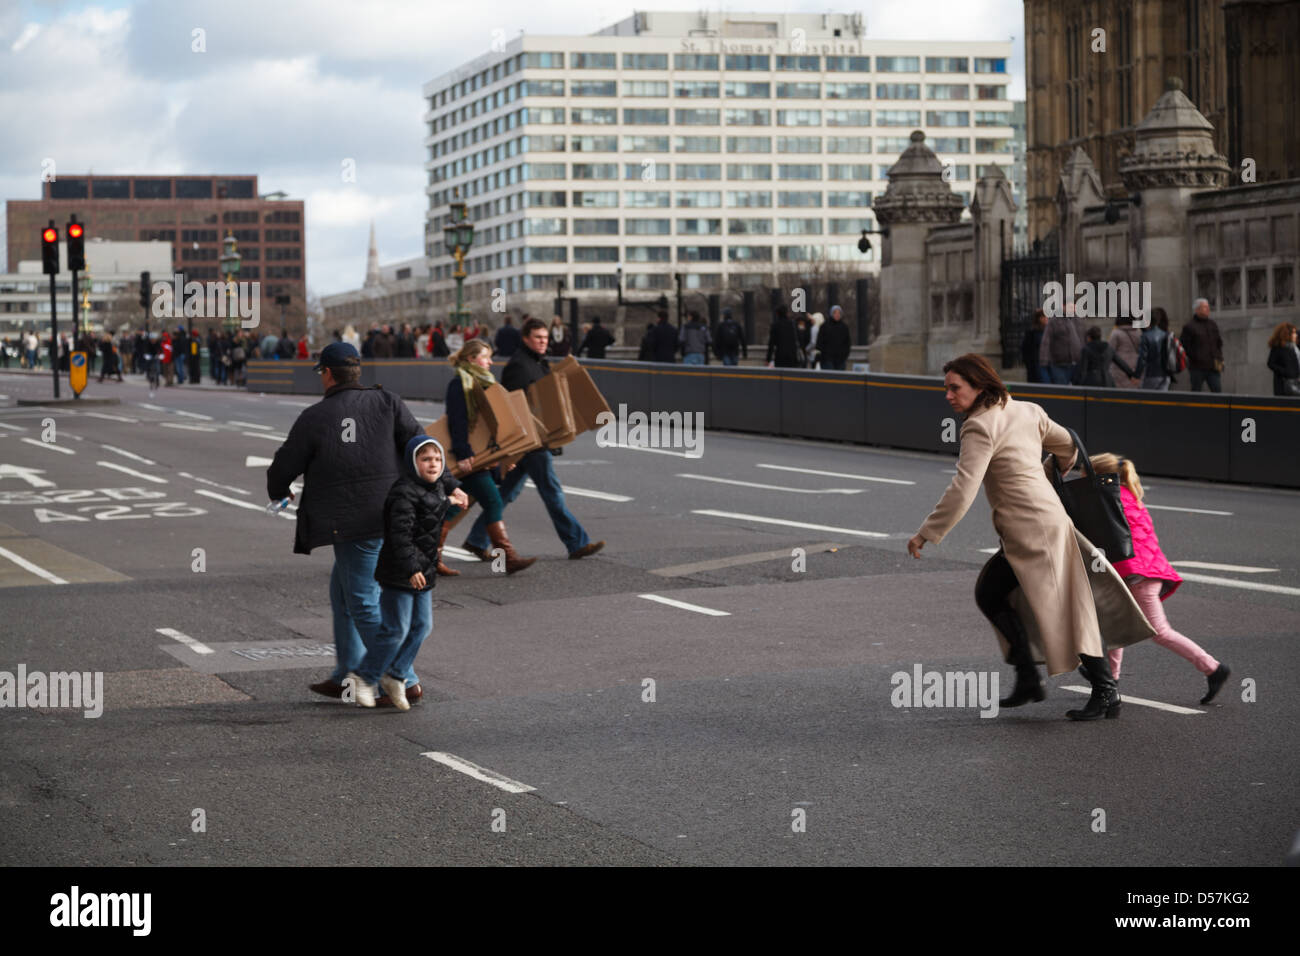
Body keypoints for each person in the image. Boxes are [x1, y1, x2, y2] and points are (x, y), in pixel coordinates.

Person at [906, 354, 1152, 720]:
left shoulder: (978, 426)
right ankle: (1030, 678)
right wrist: (1038, 474)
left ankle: (1102, 690)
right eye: (947, 388)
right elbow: (1068, 446)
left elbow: (964, 488)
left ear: (979, 386)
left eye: (955, 388)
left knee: (1059, 605)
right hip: (1045, 521)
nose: (949, 396)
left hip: (1031, 530)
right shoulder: (1027, 411)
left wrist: (927, 532)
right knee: (1011, 594)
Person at [266, 342, 424, 700]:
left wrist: (279, 490)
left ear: (327, 374)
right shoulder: (389, 403)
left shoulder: (315, 417)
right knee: (343, 594)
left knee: (363, 601)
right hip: (394, 514)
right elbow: (420, 444)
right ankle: (347, 673)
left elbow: (285, 463)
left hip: (355, 523)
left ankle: (403, 676)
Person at [1088, 453, 1231, 705]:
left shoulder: (1110, 500)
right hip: (1142, 571)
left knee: (1159, 632)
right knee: (1116, 627)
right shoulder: (1129, 496)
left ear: (1101, 477)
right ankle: (1111, 681)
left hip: (1137, 574)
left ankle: (1213, 668)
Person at [460, 318, 605, 561]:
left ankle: (476, 540)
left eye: (545, 338)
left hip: (536, 442)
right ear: (526, 338)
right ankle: (576, 543)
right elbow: (515, 407)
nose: (542, 342)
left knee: (504, 495)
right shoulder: (519, 366)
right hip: (531, 443)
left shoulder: (539, 363)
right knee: (552, 492)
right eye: (538, 338)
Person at [350, 436, 469, 709]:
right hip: (399, 571)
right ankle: (364, 677)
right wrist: (412, 567)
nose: (433, 464)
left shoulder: (436, 487)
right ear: (413, 463)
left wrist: (451, 497)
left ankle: (396, 675)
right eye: (426, 459)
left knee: (422, 626)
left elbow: (430, 511)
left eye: (438, 459)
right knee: (396, 629)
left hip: (422, 571)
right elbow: (399, 535)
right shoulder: (403, 492)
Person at [443, 339, 536, 574]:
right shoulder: (460, 384)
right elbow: (458, 422)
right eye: (485, 356)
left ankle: (428, 556)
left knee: (454, 507)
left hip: (480, 457)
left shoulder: (484, 384)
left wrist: (503, 459)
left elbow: (490, 428)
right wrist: (463, 453)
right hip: (470, 458)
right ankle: (508, 557)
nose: (490, 362)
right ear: (472, 359)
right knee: (493, 501)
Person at [1180, 298, 1224, 392]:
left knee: (1217, 390)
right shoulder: (1189, 326)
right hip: (1197, 367)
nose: (1208, 309)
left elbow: (1218, 343)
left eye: (1208, 307)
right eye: (1204, 307)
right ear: (1197, 309)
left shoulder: (1212, 324)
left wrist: (1219, 358)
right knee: (1196, 392)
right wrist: (1195, 356)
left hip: (1213, 366)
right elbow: (1185, 345)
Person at [1039, 303, 1084, 385]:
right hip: (1059, 365)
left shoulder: (1077, 320)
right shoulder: (1054, 321)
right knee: (1063, 391)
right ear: (1063, 306)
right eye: (1070, 307)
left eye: (1074, 307)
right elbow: (1046, 341)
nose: (1073, 310)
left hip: (1076, 363)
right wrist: (1043, 362)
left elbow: (1081, 338)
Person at [1135, 307, 1172, 390]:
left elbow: (1142, 358)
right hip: (1166, 374)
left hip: (1151, 374)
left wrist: (1137, 375)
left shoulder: (1145, 336)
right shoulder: (1166, 334)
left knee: (1147, 400)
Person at [1265, 323, 1300, 397]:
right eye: (1293, 333)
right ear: (1287, 334)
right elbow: (1270, 363)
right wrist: (1285, 371)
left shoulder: (1294, 347)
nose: (1296, 335)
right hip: (1284, 385)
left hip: (1296, 382)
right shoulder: (1278, 348)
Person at [1107, 316, 1143, 388]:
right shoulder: (1139, 332)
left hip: (1119, 368)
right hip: (1136, 367)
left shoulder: (1116, 333)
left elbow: (1110, 351)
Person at [818, 305, 852, 371]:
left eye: (839, 313)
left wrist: (844, 356)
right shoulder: (824, 326)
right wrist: (824, 355)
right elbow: (820, 342)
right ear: (831, 313)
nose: (837, 315)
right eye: (835, 313)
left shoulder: (844, 327)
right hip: (827, 360)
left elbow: (847, 343)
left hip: (840, 360)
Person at [1021, 309, 1048, 383]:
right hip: (1035, 363)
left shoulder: (1048, 331)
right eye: (1044, 317)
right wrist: (1028, 363)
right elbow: (1025, 348)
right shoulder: (1032, 332)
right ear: (1039, 319)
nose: (1046, 319)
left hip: (1046, 362)